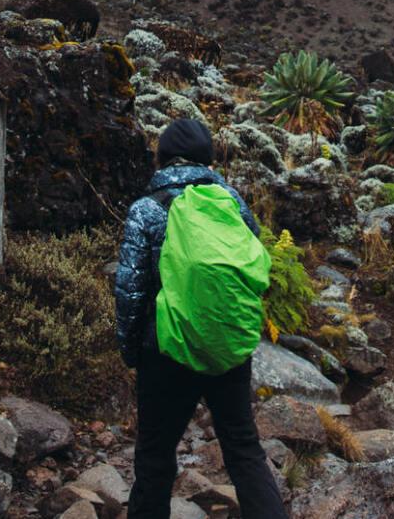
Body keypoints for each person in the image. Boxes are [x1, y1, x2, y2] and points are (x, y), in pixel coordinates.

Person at [113, 118, 288, 519]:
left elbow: (130, 288)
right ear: (208, 158)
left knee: (155, 457)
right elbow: (251, 267)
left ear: (161, 158)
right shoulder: (231, 203)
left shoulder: (147, 208)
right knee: (244, 450)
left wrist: (132, 351)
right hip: (226, 347)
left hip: (165, 351)